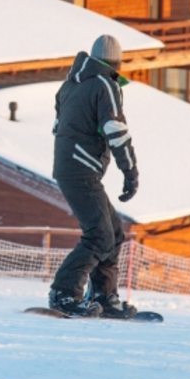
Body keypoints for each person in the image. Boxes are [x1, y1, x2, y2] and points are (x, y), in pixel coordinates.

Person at [49, 34, 140, 318]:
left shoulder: (69, 85)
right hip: (81, 169)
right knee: (100, 235)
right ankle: (64, 294)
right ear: (116, 62)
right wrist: (130, 171)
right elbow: (115, 129)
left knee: (112, 232)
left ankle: (104, 296)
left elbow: (59, 128)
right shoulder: (105, 84)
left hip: (70, 167)